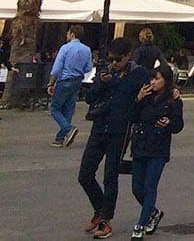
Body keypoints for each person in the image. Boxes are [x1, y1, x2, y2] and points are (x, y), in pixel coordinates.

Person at [80, 37, 150, 239]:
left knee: (110, 176)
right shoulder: (106, 72)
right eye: (110, 59)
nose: (113, 63)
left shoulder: (139, 75)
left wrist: (139, 100)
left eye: (117, 59)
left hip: (120, 130)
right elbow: (89, 98)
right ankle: (99, 209)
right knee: (85, 174)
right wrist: (101, 82)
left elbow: (151, 95)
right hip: (100, 127)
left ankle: (106, 220)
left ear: (128, 56)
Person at [129, 65, 184, 239]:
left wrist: (168, 123)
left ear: (166, 81)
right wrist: (137, 99)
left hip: (158, 148)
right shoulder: (145, 96)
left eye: (157, 79)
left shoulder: (173, 99)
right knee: (137, 188)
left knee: (150, 186)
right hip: (140, 145)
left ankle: (141, 225)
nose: (152, 82)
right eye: (151, 78)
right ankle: (154, 213)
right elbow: (132, 117)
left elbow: (178, 125)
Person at [48, 25, 92, 148]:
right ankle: (60, 137)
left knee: (55, 108)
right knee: (68, 108)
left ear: (72, 34)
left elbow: (57, 66)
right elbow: (88, 67)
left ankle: (68, 129)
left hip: (65, 79)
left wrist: (51, 82)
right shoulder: (86, 49)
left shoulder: (65, 48)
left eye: (68, 33)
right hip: (77, 80)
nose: (66, 35)